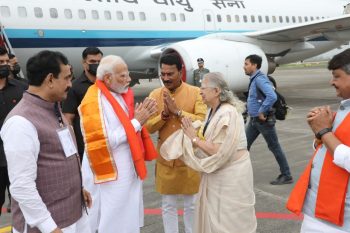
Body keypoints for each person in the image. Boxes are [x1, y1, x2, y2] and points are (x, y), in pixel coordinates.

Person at [0, 50, 92, 233]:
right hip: (50, 226)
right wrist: (49, 227)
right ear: (50, 79)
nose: (70, 84)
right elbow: (22, 186)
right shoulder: (21, 122)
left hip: (73, 215)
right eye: (66, 78)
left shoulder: (54, 109)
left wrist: (78, 188)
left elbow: (60, 157)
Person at [160, 72, 257, 233]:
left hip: (231, 175)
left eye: (204, 88)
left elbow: (217, 150)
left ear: (217, 91)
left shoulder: (228, 113)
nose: (200, 91)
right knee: (215, 217)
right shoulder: (212, 111)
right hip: (219, 174)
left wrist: (194, 139)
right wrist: (179, 115)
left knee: (227, 221)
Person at [79, 55, 158, 233]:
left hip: (126, 172)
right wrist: (137, 121)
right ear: (107, 78)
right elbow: (105, 141)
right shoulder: (94, 102)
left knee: (127, 217)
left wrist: (138, 119)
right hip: (112, 176)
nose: (129, 79)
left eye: (128, 74)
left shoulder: (117, 95)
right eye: (123, 76)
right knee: (114, 219)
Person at [287, 48, 350, 233]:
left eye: (337, 76)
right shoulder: (343, 109)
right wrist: (319, 134)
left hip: (339, 222)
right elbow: (326, 148)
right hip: (319, 213)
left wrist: (324, 131)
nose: (332, 82)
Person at [145, 54, 207, 233]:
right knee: (168, 205)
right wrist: (163, 116)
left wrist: (178, 112)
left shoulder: (195, 92)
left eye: (170, 74)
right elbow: (148, 127)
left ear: (180, 72)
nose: (165, 78)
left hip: (189, 158)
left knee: (192, 204)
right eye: (162, 74)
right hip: (166, 159)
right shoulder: (155, 94)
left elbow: (201, 121)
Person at [244, 54, 293, 185]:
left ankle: (286, 175)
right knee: (243, 145)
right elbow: (255, 98)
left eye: (246, 64)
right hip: (255, 121)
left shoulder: (260, 79)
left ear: (254, 65)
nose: (244, 67)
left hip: (263, 121)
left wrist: (261, 111)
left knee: (274, 147)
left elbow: (272, 96)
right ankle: (239, 173)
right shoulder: (254, 79)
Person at [62, 47, 103, 160]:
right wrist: (72, 146)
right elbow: (68, 117)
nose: (97, 64)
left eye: (99, 62)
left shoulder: (107, 84)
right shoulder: (74, 87)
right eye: (92, 62)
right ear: (84, 63)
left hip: (107, 141)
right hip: (86, 144)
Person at [0, 47, 26, 216]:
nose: (5, 65)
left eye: (6, 62)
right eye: (0, 62)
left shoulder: (22, 88)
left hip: (19, 158)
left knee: (23, 204)